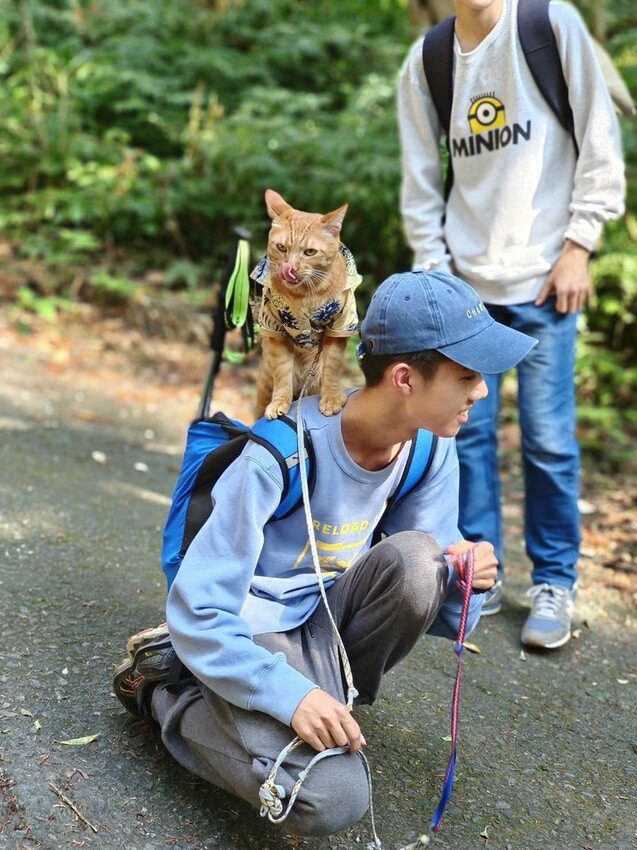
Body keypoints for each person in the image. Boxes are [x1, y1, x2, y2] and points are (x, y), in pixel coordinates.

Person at [112, 269, 535, 837]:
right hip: (247, 630)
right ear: (405, 378)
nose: (481, 391)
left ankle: (321, 702)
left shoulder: (429, 450)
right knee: (331, 800)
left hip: (324, 624)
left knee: (422, 559)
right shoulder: (280, 454)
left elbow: (443, 611)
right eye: (466, 376)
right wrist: (289, 696)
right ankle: (168, 696)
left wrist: (466, 579)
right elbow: (201, 609)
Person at [397, 0, 625, 649]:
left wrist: (578, 245)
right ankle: (478, 571)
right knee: (463, 437)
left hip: (546, 276)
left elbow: (598, 139)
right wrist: (437, 277)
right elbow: (420, 184)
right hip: (466, 282)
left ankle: (554, 580)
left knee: (547, 440)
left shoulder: (548, 25)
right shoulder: (430, 59)